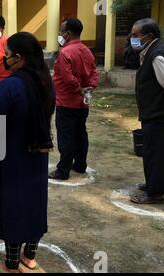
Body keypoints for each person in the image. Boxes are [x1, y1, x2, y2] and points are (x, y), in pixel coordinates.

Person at [0, 32, 55, 274]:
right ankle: (30, 257)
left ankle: (11, 263)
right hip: (38, 153)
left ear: (19, 57)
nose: (4, 59)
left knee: (12, 205)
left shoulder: (10, 85)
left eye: (7, 55)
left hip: (12, 155)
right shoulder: (46, 81)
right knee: (35, 202)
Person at [130, 18, 164, 205]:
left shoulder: (157, 55)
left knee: (154, 153)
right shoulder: (155, 49)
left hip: (158, 114)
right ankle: (158, 184)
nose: (132, 39)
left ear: (148, 36)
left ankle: (155, 193)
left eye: (135, 35)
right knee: (159, 152)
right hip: (158, 112)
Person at [49, 19, 99, 181]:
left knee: (66, 137)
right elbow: (94, 72)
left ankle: (62, 170)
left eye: (61, 30)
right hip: (82, 103)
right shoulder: (86, 50)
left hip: (67, 101)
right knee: (80, 134)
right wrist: (89, 88)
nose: (60, 34)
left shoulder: (66, 52)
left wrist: (78, 89)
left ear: (68, 33)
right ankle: (80, 164)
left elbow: (67, 77)